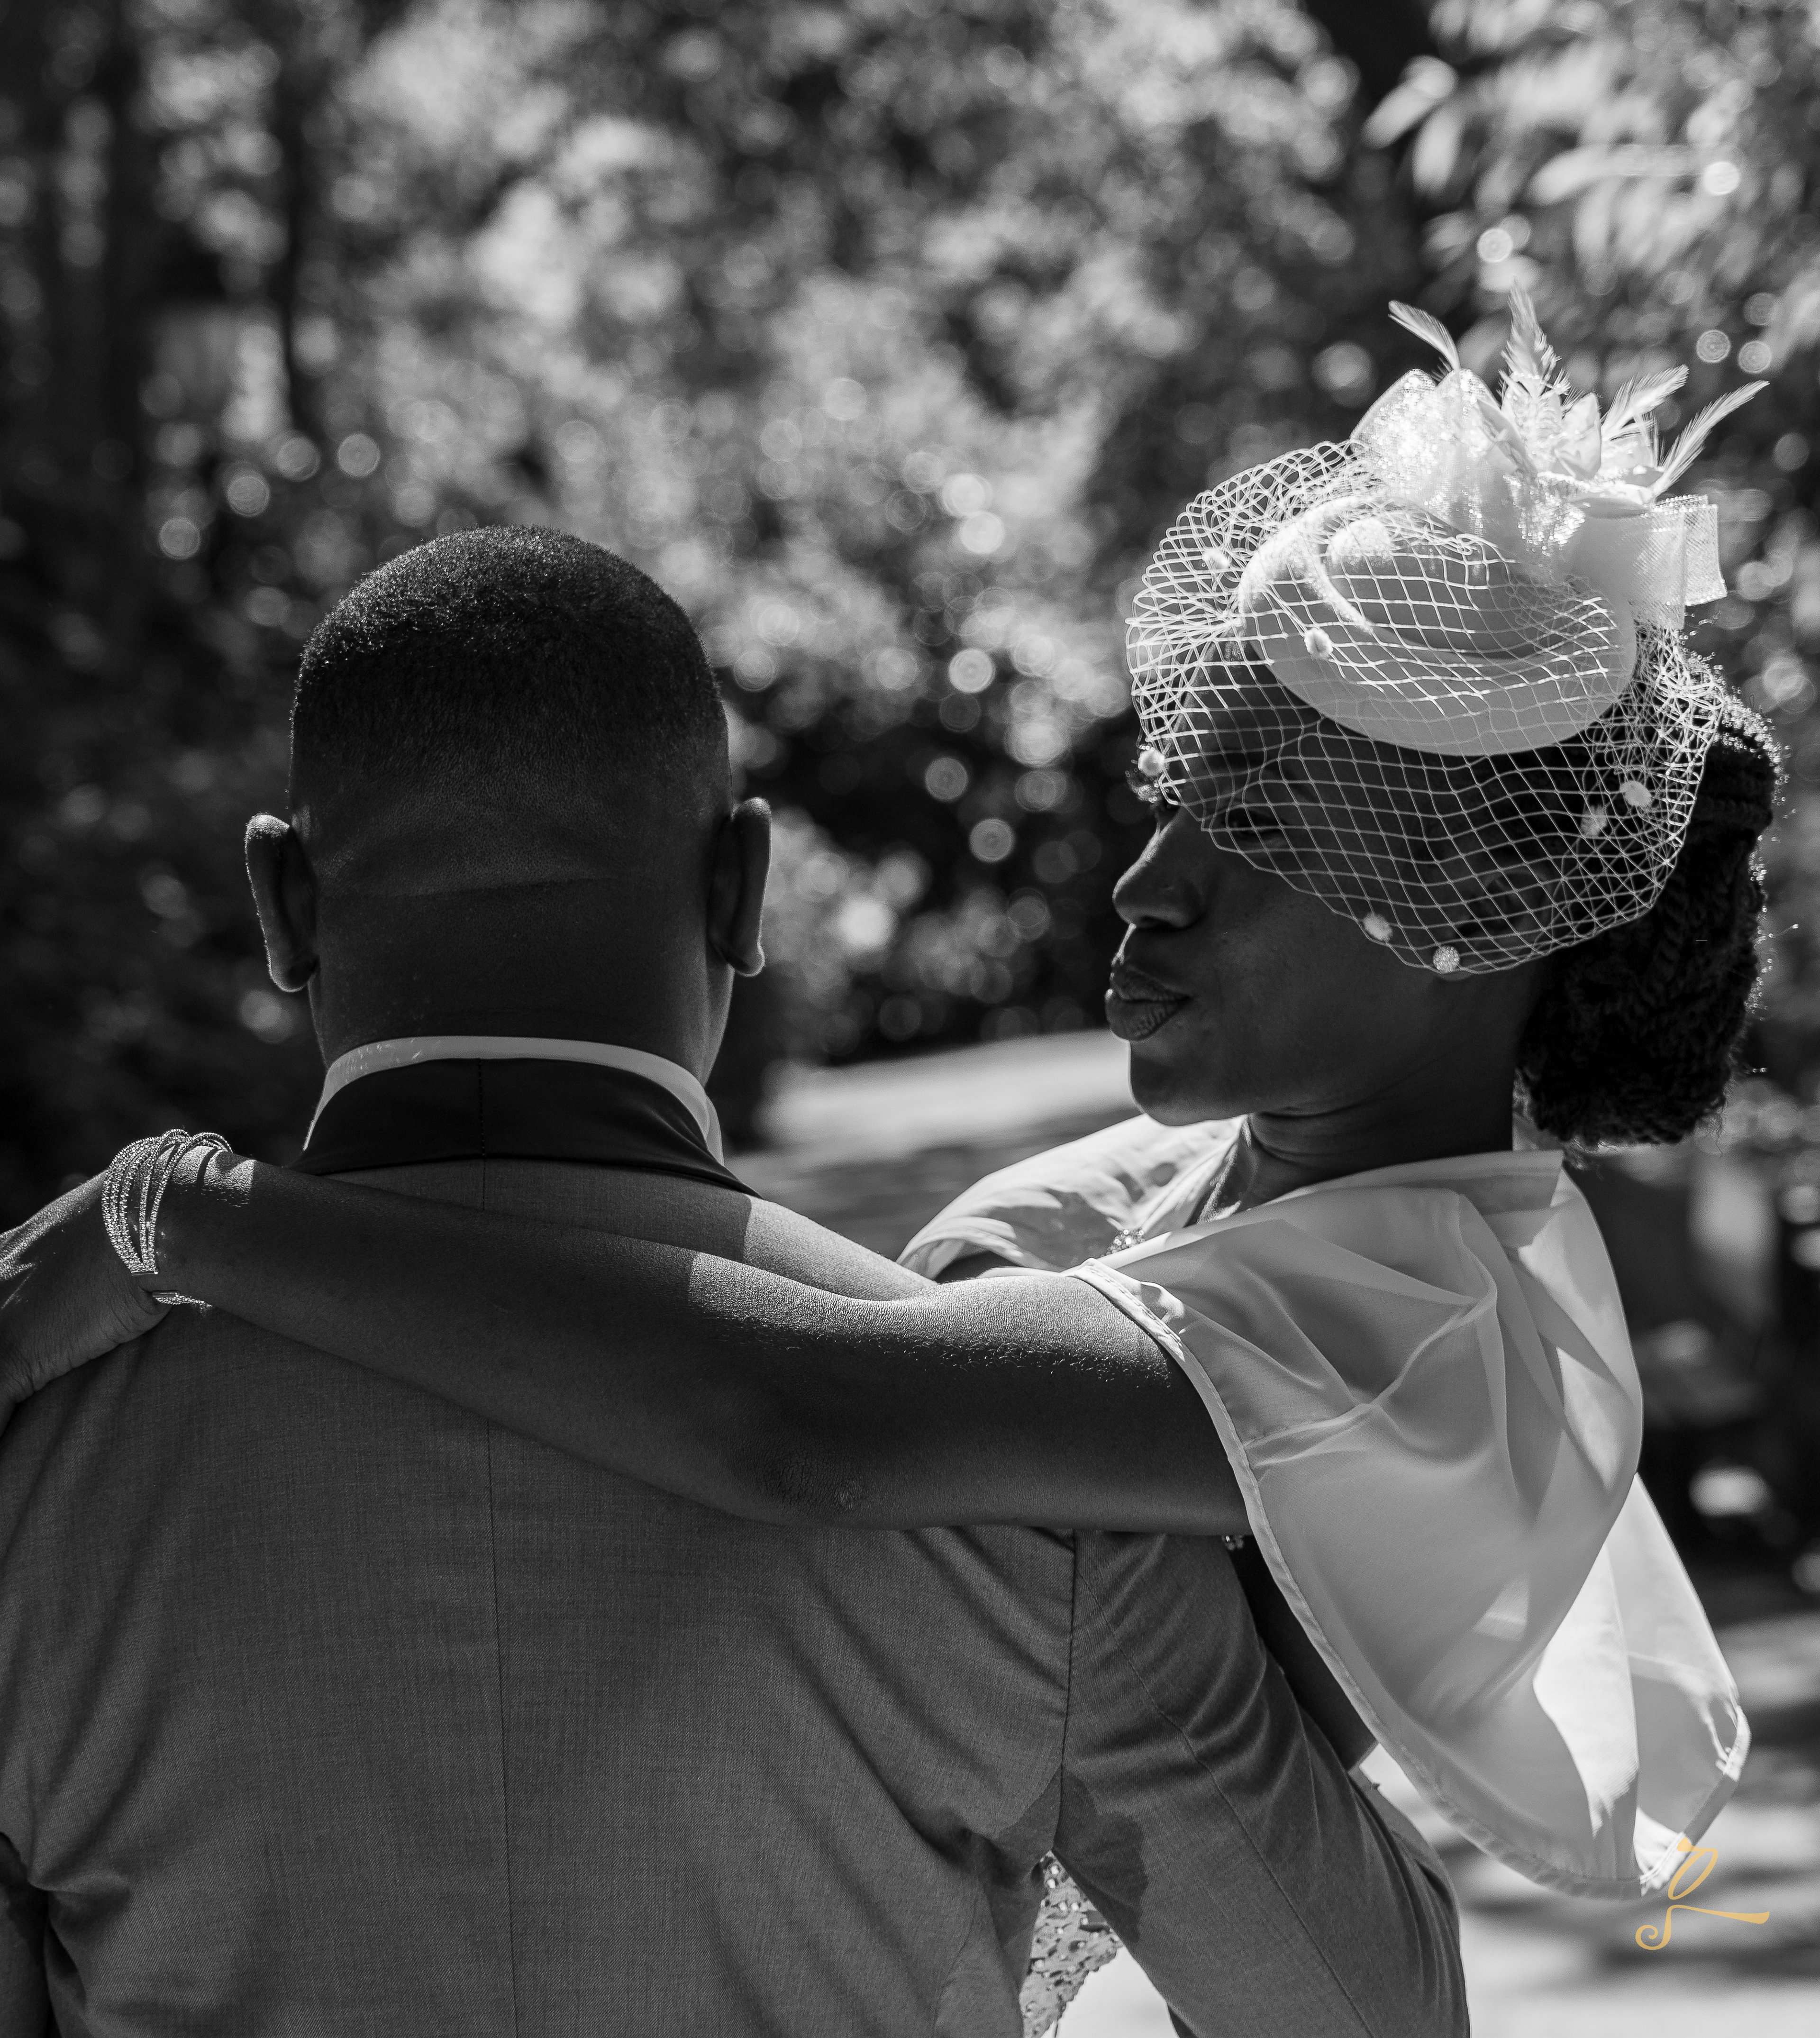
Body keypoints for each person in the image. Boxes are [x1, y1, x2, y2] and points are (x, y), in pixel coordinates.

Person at [0, 526, 1465, 2038]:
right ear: (744, 886)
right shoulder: (1018, 1467)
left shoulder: (31, 1461)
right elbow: (1369, 2013)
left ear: (280, 904)